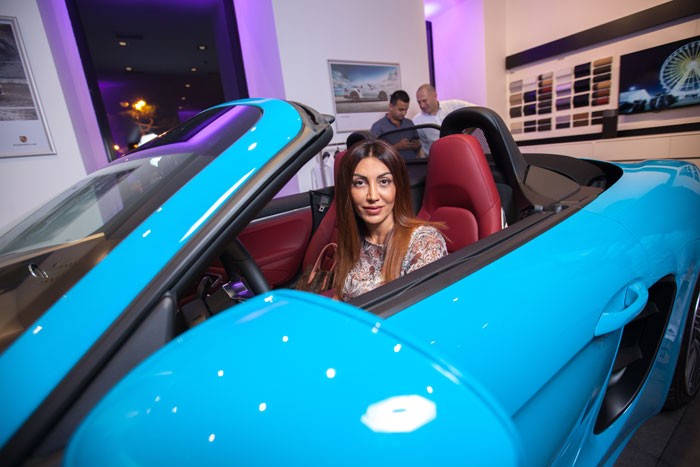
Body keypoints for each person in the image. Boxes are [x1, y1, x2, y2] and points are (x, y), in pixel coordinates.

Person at [332, 139, 447, 301]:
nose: (373, 196)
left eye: (384, 182)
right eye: (360, 183)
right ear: (348, 191)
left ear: (397, 187)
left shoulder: (425, 242)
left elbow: (418, 312)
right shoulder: (353, 237)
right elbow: (340, 296)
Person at [413, 83, 475, 154]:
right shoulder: (416, 121)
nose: (422, 105)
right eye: (419, 102)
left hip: (462, 152)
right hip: (437, 156)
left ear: (435, 96)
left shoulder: (454, 105)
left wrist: (468, 130)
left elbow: (478, 111)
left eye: (424, 101)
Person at [370, 90, 422, 160]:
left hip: (413, 164)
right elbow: (373, 153)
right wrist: (396, 147)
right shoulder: (378, 127)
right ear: (391, 106)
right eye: (401, 110)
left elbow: (418, 148)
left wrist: (417, 145)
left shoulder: (409, 123)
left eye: (406, 110)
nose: (404, 113)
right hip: (391, 165)